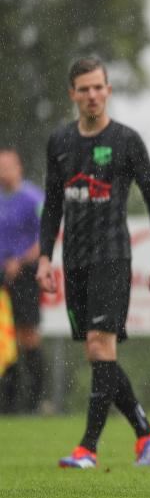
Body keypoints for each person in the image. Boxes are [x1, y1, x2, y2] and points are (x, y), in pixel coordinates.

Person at [36, 57, 150, 469]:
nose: (92, 95)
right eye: (84, 89)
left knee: (100, 345)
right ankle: (146, 433)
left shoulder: (127, 140)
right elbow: (53, 205)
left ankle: (87, 449)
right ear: (72, 94)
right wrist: (45, 258)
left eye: (99, 87)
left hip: (112, 256)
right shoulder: (59, 142)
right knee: (98, 355)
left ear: (108, 90)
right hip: (73, 259)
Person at [0, 148, 45, 414]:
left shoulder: (32, 198)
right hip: (1, 276)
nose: (4, 171)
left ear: (19, 168)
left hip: (26, 275)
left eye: (8, 166)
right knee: (5, 338)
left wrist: (21, 259)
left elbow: (46, 237)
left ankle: (35, 401)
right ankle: (9, 403)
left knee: (27, 334)